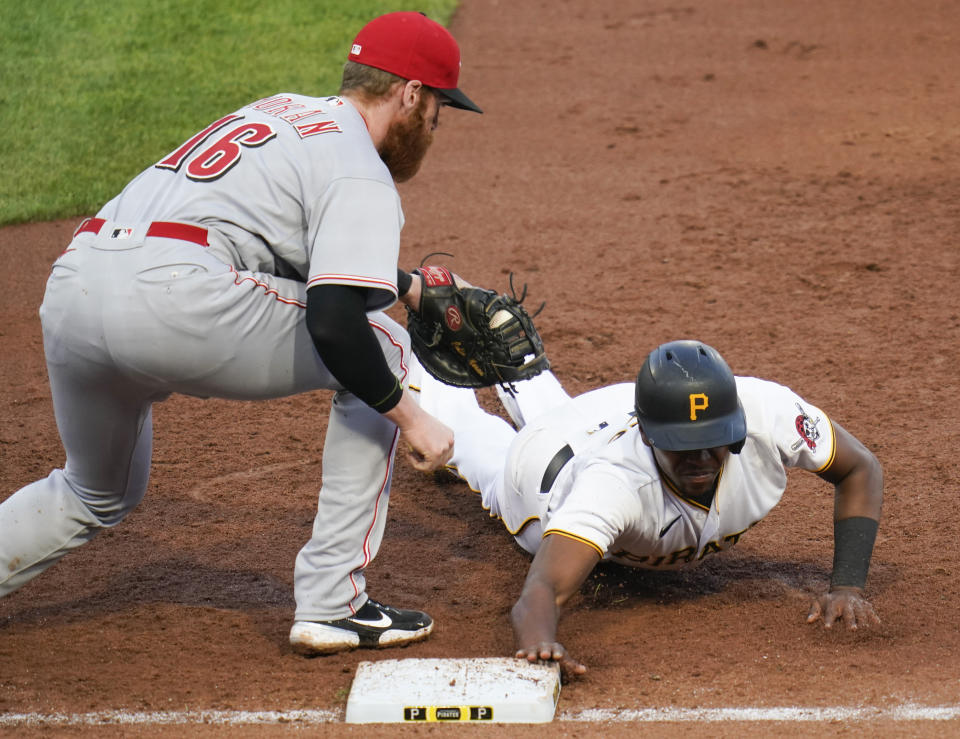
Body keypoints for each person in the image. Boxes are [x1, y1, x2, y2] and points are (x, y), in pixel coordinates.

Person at [0, 11, 485, 656]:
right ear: (410, 93)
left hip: (74, 290)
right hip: (170, 299)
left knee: (97, 490)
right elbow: (336, 325)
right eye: (437, 110)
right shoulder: (361, 169)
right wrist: (414, 419)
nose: (434, 127)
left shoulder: (282, 112)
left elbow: (277, 246)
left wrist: (413, 287)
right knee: (381, 346)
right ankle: (333, 604)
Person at [413, 339, 884, 675]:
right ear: (649, 434)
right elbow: (542, 589)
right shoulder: (613, 486)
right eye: (683, 446)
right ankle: (406, 358)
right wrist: (540, 645)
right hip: (538, 475)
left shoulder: (768, 413)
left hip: (610, 413)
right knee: (468, 444)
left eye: (712, 441)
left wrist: (847, 586)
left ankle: (518, 369)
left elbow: (860, 468)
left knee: (580, 422)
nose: (700, 458)